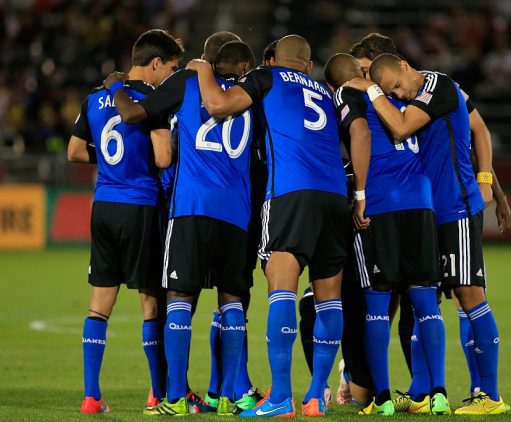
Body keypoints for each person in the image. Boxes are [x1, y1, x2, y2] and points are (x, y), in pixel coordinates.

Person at [188, 34, 348, 418]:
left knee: (281, 286)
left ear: (277, 59)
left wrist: (202, 68)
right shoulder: (328, 93)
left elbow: (217, 104)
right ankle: (314, 397)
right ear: (308, 65)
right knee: (329, 296)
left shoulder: (266, 77)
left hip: (291, 193)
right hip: (335, 196)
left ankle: (280, 397)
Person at [346, 52, 509, 415]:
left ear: (405, 67)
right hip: (429, 210)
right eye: (393, 92)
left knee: (470, 295)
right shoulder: (418, 93)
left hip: (456, 206)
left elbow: (409, 128)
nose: (399, 95)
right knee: (427, 303)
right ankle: (421, 391)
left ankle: (490, 395)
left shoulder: (440, 86)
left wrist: (487, 181)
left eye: (397, 87)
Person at [106, 40, 256, 416]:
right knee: (232, 300)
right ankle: (227, 396)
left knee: (179, 299)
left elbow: (135, 114)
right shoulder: (253, 93)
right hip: (237, 212)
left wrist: (114, 88)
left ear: (208, 60)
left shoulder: (187, 82)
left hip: (191, 207)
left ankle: (174, 398)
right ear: (241, 67)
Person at [326, 52, 449, 416]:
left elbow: (360, 133)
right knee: (425, 300)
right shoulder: (399, 95)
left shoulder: (349, 94)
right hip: (420, 200)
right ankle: (438, 392)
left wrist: (359, 195)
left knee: (377, 305)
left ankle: (381, 400)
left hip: (380, 203)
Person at [68, 29, 182, 414]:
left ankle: (90, 396)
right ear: (154, 63)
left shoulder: (95, 99)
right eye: (170, 67)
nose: (170, 75)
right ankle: (156, 392)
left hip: (103, 207)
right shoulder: (154, 100)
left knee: (99, 305)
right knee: (152, 303)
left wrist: (114, 163)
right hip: (142, 207)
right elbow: (164, 158)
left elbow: (74, 151)